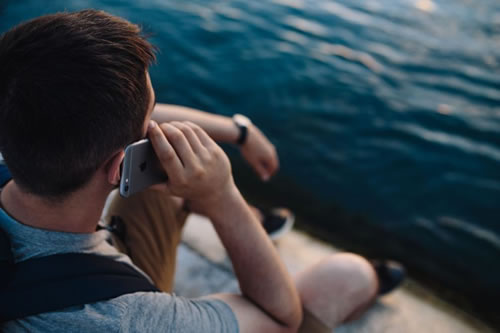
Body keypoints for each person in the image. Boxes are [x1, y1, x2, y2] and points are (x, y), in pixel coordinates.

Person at [0, 10, 404, 332]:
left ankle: (254, 224)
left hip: (50, 271)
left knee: (172, 175)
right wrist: (222, 197)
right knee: (347, 275)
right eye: (149, 127)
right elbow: (280, 318)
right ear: (120, 166)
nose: (158, 130)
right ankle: (359, 284)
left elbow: (102, 123)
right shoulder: (127, 319)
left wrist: (239, 132)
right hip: (95, 294)